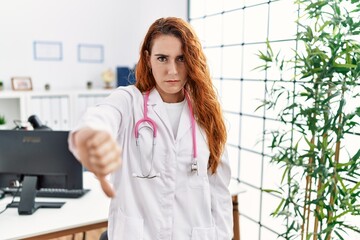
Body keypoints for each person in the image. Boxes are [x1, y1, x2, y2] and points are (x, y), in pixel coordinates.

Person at [68, 17, 233, 239]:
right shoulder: (129, 101)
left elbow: (219, 193)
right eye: (162, 58)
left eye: (181, 59)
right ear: (148, 58)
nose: (172, 70)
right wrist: (90, 137)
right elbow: (101, 116)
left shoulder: (207, 115)